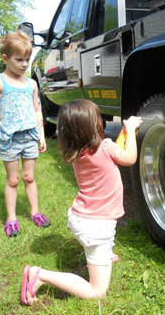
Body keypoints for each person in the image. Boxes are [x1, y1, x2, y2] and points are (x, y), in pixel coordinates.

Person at [21, 99, 142, 304]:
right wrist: (129, 130)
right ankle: (39, 275)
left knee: (100, 245)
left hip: (81, 218)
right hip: (96, 227)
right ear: (94, 127)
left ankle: (102, 254)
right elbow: (129, 158)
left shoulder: (76, 154)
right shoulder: (106, 148)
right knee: (96, 291)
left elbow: (112, 157)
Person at [0, 31, 51, 237]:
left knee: (29, 176)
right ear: (5, 58)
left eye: (27, 60)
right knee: (13, 180)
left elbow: (37, 110)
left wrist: (42, 134)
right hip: (9, 139)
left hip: (30, 137)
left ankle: (35, 212)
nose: (24, 64)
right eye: (19, 59)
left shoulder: (31, 84)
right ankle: (11, 218)